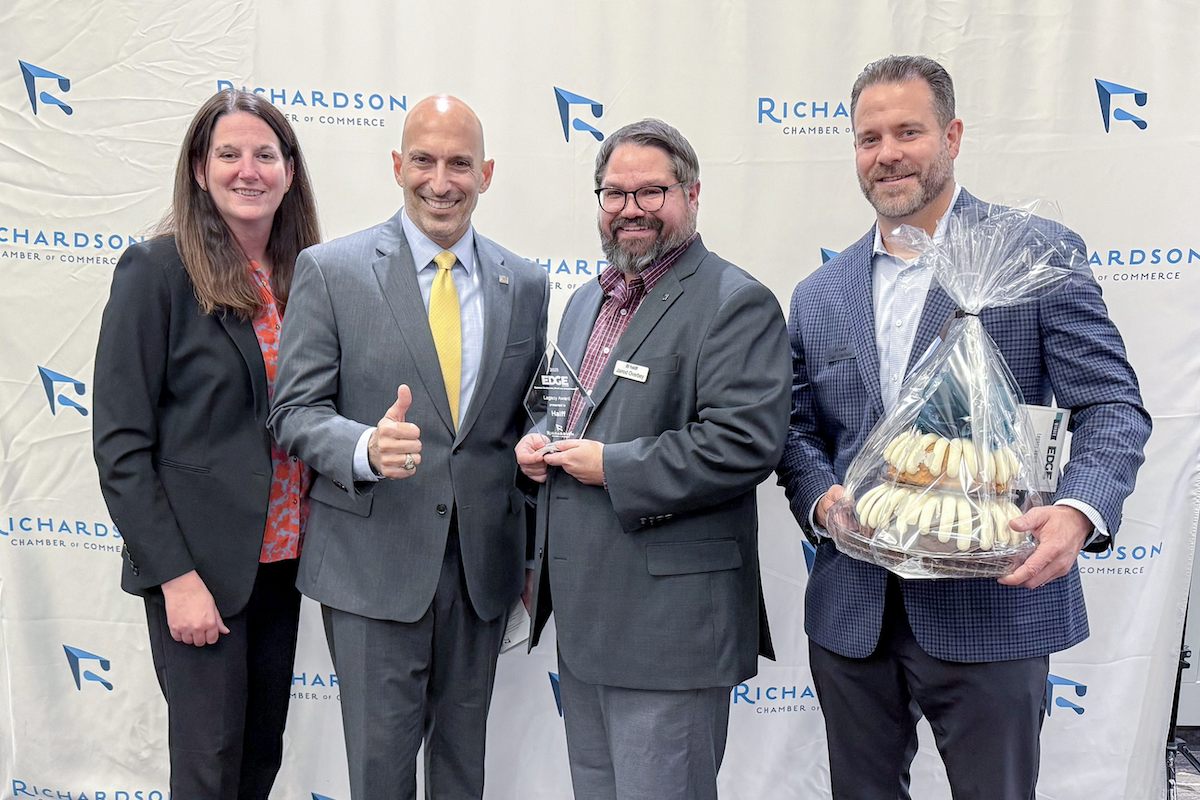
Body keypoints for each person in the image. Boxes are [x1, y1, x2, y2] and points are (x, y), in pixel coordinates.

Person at [776, 55, 1151, 799]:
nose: (887, 154)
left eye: (908, 131)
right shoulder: (819, 293)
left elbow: (1112, 404)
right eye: (868, 137)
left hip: (996, 600)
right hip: (854, 614)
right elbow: (794, 429)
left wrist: (1078, 512)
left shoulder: (1033, 253)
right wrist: (821, 500)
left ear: (951, 135)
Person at [267, 94, 548, 800]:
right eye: (423, 160)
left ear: (486, 173)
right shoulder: (331, 271)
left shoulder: (528, 283)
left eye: (459, 163)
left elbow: (524, 417)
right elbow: (292, 412)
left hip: (481, 571)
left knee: (463, 772)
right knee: (380, 776)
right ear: (398, 165)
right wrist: (363, 447)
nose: (441, 180)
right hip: (371, 568)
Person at [516, 118, 791, 800]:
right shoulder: (588, 299)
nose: (630, 208)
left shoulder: (735, 303)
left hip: (669, 631)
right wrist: (535, 439)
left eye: (651, 191)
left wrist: (614, 465)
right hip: (586, 620)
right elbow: (560, 404)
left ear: (693, 195)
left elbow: (744, 441)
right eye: (614, 193)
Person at [92, 88, 320, 799]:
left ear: (289, 171)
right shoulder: (156, 272)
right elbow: (121, 446)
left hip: (284, 566)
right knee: (207, 769)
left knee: (258, 761)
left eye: (264, 154)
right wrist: (177, 580)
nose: (247, 170)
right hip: (200, 576)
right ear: (199, 168)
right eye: (229, 154)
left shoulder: (307, 278)